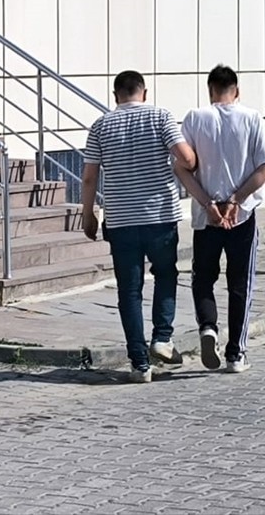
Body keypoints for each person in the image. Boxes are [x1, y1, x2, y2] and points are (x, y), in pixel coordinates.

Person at [81, 71, 196, 383]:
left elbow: (90, 175)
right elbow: (186, 157)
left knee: (129, 290)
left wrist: (88, 213)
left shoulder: (101, 125)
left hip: (120, 220)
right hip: (160, 216)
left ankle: (139, 364)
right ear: (144, 92)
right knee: (166, 274)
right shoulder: (161, 117)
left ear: (115, 94)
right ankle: (162, 337)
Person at [174, 64, 265, 374]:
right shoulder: (251, 118)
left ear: (210, 91)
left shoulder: (195, 118)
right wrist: (236, 199)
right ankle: (236, 353)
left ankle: (208, 327)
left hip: (208, 216)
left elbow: (180, 166)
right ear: (237, 91)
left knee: (203, 277)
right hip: (241, 215)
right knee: (240, 284)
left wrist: (207, 203)